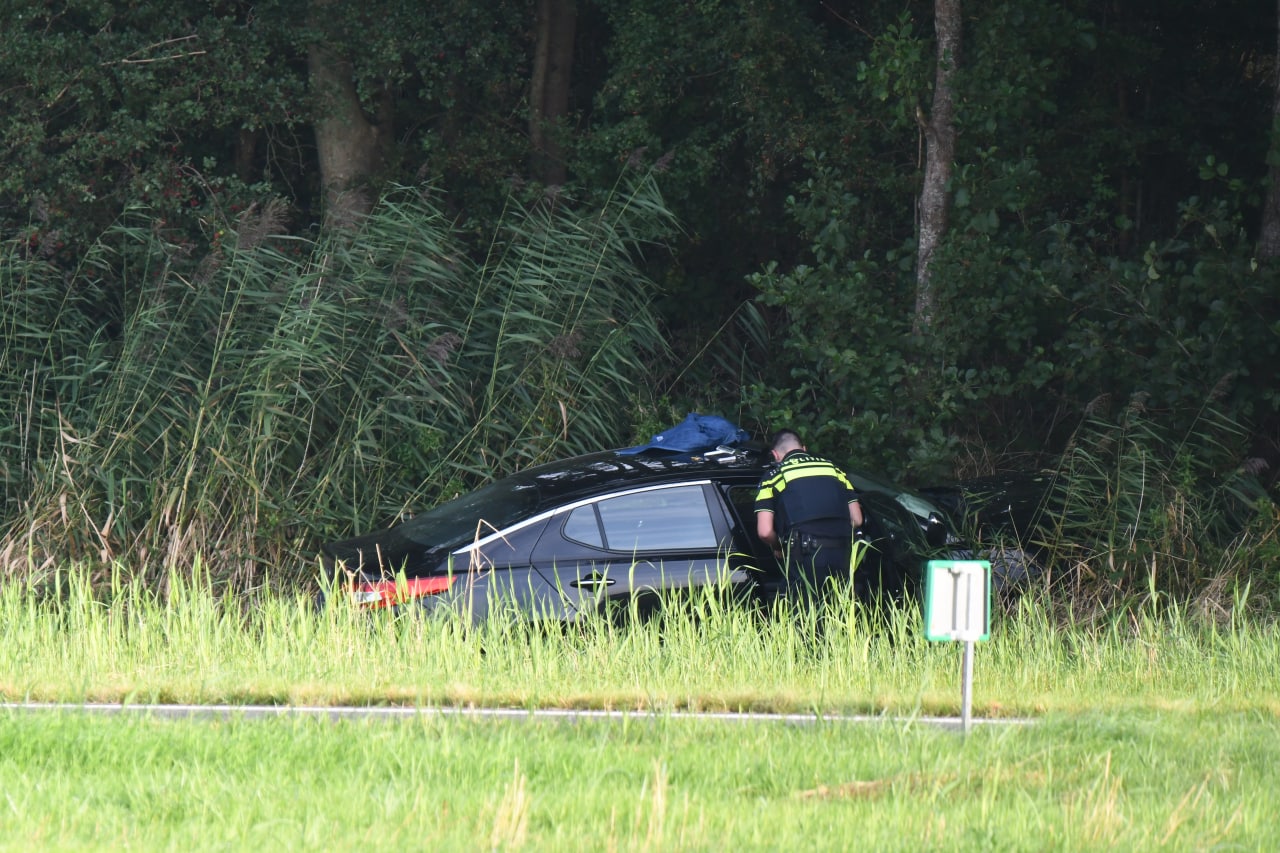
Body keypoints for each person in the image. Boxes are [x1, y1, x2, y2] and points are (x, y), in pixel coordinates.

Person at [755, 429, 864, 606]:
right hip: (842, 555)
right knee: (838, 611)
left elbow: (765, 532)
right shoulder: (834, 470)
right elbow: (857, 520)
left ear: (775, 454)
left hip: (805, 556)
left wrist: (778, 547)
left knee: (804, 617)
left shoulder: (773, 477)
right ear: (804, 449)